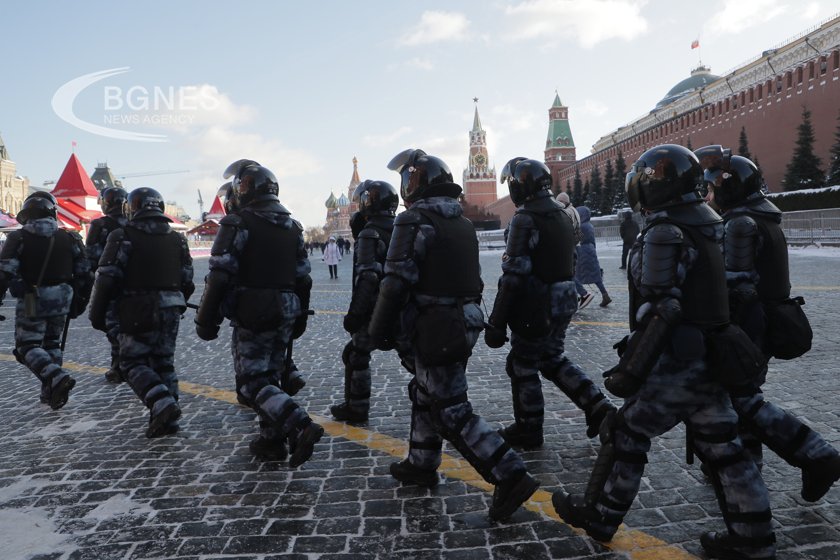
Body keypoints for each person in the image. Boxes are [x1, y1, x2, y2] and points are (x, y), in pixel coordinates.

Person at [553, 144, 776, 560]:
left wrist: (633, 370)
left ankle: (601, 515)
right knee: (726, 448)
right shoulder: (706, 223)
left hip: (678, 361)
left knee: (626, 433)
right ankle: (754, 536)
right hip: (711, 354)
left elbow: (663, 307)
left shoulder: (663, 231)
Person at [368, 148, 539, 521]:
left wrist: (377, 331)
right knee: (426, 392)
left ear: (416, 183)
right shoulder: (459, 221)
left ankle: (510, 475)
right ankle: (421, 460)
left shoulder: (413, 220)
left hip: (434, 324)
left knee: (449, 408)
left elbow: (395, 282)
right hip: (463, 320)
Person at [697, 145, 840, 501]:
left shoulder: (741, 223)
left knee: (744, 399)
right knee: (740, 397)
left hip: (749, 323)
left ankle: (818, 456)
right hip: (763, 318)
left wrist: (714, 324)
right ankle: (745, 460)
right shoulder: (761, 217)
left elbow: (737, 282)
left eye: (713, 188)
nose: (709, 196)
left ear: (730, 188)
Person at [195, 160, 323, 467]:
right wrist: (300, 316)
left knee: (252, 383)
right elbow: (303, 277)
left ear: (246, 189)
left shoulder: (238, 222)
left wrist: (206, 317)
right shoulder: (293, 226)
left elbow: (220, 274)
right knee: (271, 377)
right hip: (286, 311)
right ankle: (271, 440)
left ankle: (299, 424)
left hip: (252, 312)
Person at [485, 158, 615, 449]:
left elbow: (513, 275)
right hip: (565, 296)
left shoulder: (525, 218)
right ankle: (598, 406)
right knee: (553, 358)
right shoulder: (562, 213)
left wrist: (496, 321)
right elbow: (573, 259)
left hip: (536, 301)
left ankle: (528, 428)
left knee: (523, 365)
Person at [89, 187, 193, 437]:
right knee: (164, 363)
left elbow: (107, 277)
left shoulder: (122, 235)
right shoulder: (177, 238)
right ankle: (167, 419)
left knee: (131, 363)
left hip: (137, 307)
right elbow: (187, 280)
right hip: (171, 306)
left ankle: (161, 403)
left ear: (132, 208)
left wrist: (97, 313)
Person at [331, 180, 414, 422]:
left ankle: (357, 406)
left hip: (378, 312)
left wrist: (355, 314)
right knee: (416, 362)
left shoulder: (370, 233)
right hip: (408, 309)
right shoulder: (404, 227)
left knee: (357, 354)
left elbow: (367, 277)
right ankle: (440, 400)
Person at [0, 193, 91, 409]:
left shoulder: (18, 238)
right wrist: (80, 301)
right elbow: (86, 274)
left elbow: (5, 272)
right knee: (51, 343)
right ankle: (50, 392)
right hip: (62, 298)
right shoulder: (71, 238)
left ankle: (55, 377)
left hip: (33, 297)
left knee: (27, 345)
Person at [86, 186, 129, 383]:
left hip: (110, 282)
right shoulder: (135, 222)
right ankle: (124, 362)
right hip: (136, 282)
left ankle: (119, 364)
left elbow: (92, 258)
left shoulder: (100, 225)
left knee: (111, 325)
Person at [556, 192, 593, 309]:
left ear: (563, 202)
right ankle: (573, 297)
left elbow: (562, 228)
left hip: (567, 247)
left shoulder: (567, 212)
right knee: (567, 274)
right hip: (573, 246)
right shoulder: (574, 210)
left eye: (559, 202)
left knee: (566, 274)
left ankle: (584, 294)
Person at [575, 206, 611, 307]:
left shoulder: (581, 226)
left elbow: (578, 239)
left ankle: (577, 297)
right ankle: (605, 295)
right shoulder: (590, 226)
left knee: (575, 276)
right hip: (590, 251)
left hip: (582, 252)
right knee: (596, 276)